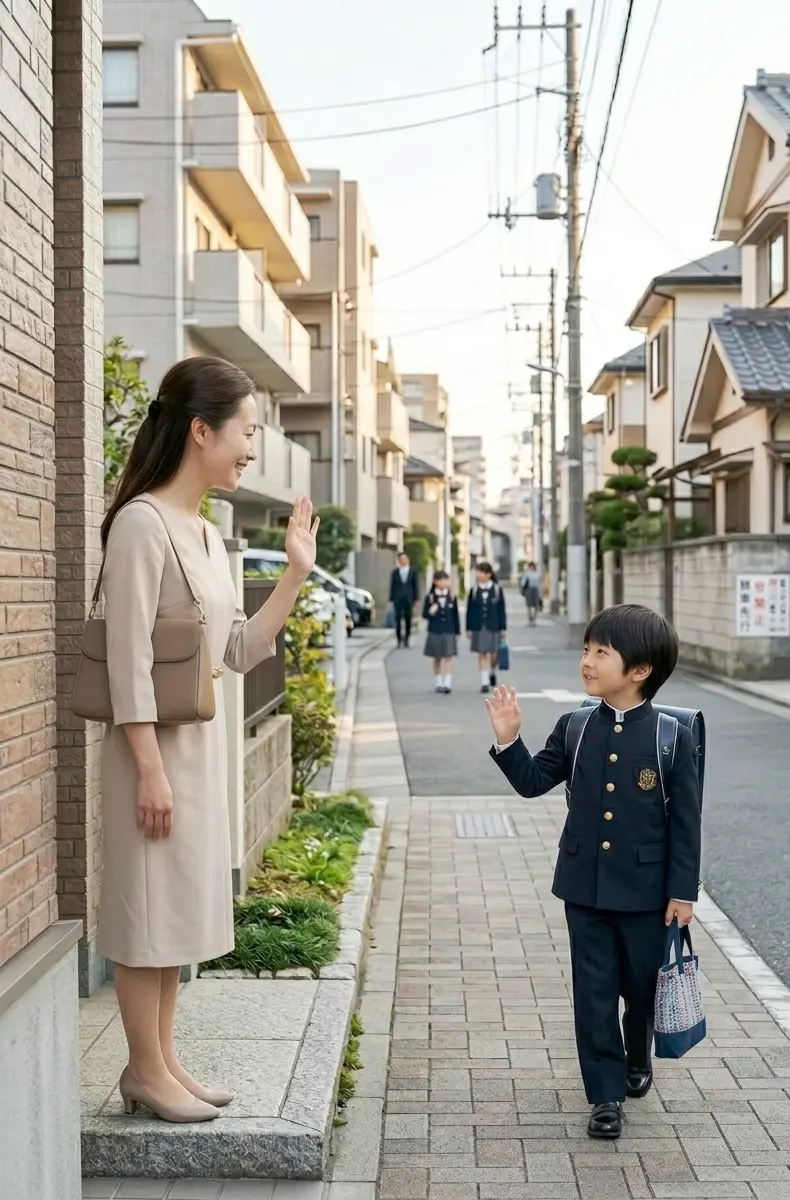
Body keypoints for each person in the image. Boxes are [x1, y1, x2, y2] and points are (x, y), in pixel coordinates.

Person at [97, 357, 319, 1124]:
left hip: (194, 754)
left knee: (175, 912)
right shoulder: (141, 524)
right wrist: (148, 769)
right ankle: (143, 1070)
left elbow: (237, 649)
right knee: (145, 911)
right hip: (151, 754)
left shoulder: (204, 531)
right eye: (246, 432)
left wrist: (294, 574)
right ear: (201, 431)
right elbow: (126, 658)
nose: (252, 449)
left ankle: (161, 1063)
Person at [485, 604, 701, 1141]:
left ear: (640, 670)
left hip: (648, 894)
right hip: (584, 888)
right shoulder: (576, 726)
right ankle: (605, 1096)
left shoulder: (672, 735)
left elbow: (686, 822)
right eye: (586, 649)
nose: (587, 660)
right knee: (594, 992)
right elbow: (534, 782)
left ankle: (637, 1050)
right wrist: (509, 741)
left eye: (602, 652)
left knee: (640, 986)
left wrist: (682, 892)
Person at [466, 561, 507, 694]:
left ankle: (492, 671)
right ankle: (484, 682)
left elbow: (501, 610)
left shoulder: (497, 589)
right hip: (478, 626)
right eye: (477, 572)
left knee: (494, 654)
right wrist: (468, 628)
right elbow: (469, 611)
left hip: (493, 625)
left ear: (488, 574)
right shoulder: (474, 590)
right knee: (482, 653)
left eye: (480, 572)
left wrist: (503, 628)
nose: (477, 575)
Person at [422, 570, 460, 694]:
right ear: (435, 582)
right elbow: (424, 614)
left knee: (448, 656)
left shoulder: (452, 597)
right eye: (441, 580)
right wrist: (430, 612)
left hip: (449, 630)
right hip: (435, 630)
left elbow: (455, 616)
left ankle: (447, 683)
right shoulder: (430, 597)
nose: (444, 583)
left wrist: (457, 632)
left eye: (446, 580)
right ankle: (438, 681)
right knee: (437, 656)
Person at [389, 551, 419, 647]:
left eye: (405, 559)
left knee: (408, 619)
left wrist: (416, 599)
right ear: (399, 561)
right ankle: (398, 639)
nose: (403, 561)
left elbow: (415, 586)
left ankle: (407, 639)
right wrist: (391, 599)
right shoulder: (395, 573)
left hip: (409, 598)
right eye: (401, 559)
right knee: (397, 619)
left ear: (408, 560)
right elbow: (392, 587)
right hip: (398, 598)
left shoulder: (412, 573)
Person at [520, 560, 541, 626]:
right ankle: (530, 618)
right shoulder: (526, 574)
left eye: (533, 566)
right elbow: (523, 582)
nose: (532, 568)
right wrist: (523, 589)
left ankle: (534, 619)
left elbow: (539, 583)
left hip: (535, 590)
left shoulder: (537, 574)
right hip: (529, 589)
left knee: (536, 605)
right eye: (530, 566)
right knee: (529, 605)